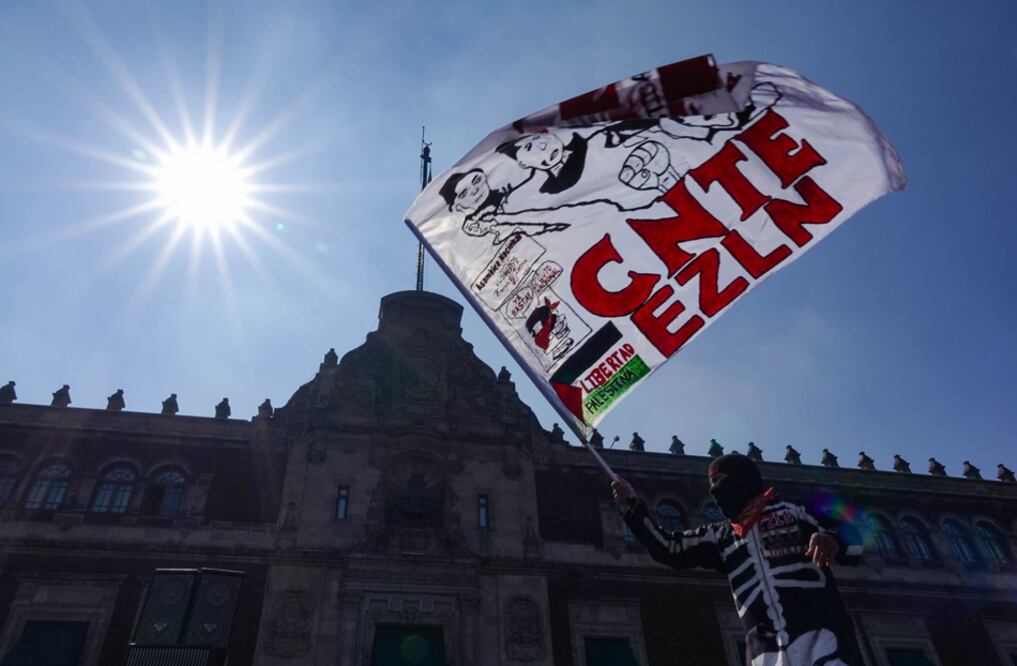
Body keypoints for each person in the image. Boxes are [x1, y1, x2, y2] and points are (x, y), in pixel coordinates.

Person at [612, 453, 864, 665]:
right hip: (765, 650)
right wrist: (633, 505)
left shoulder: (795, 510)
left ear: (741, 478)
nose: (714, 491)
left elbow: (856, 539)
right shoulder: (720, 535)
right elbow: (668, 547)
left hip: (822, 633)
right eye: (710, 486)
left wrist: (831, 538)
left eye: (719, 481)